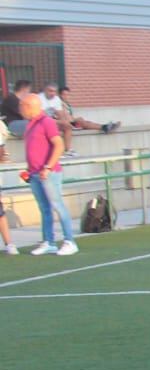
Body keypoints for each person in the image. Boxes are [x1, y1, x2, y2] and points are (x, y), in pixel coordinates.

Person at [16, 93, 78, 255]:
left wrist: (48, 167)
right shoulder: (30, 124)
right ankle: (48, 241)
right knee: (44, 208)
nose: (20, 109)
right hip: (35, 173)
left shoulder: (47, 122)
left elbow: (59, 145)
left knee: (57, 205)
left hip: (48, 173)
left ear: (30, 107)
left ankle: (69, 240)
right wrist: (29, 171)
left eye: (22, 106)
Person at [42, 86, 118, 141]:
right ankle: (105, 127)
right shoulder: (59, 103)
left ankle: (105, 127)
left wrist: (75, 119)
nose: (66, 96)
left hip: (71, 124)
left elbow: (68, 117)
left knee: (85, 122)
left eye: (68, 95)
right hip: (68, 125)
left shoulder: (66, 104)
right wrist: (75, 120)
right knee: (82, 122)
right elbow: (64, 118)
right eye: (64, 95)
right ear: (60, 95)